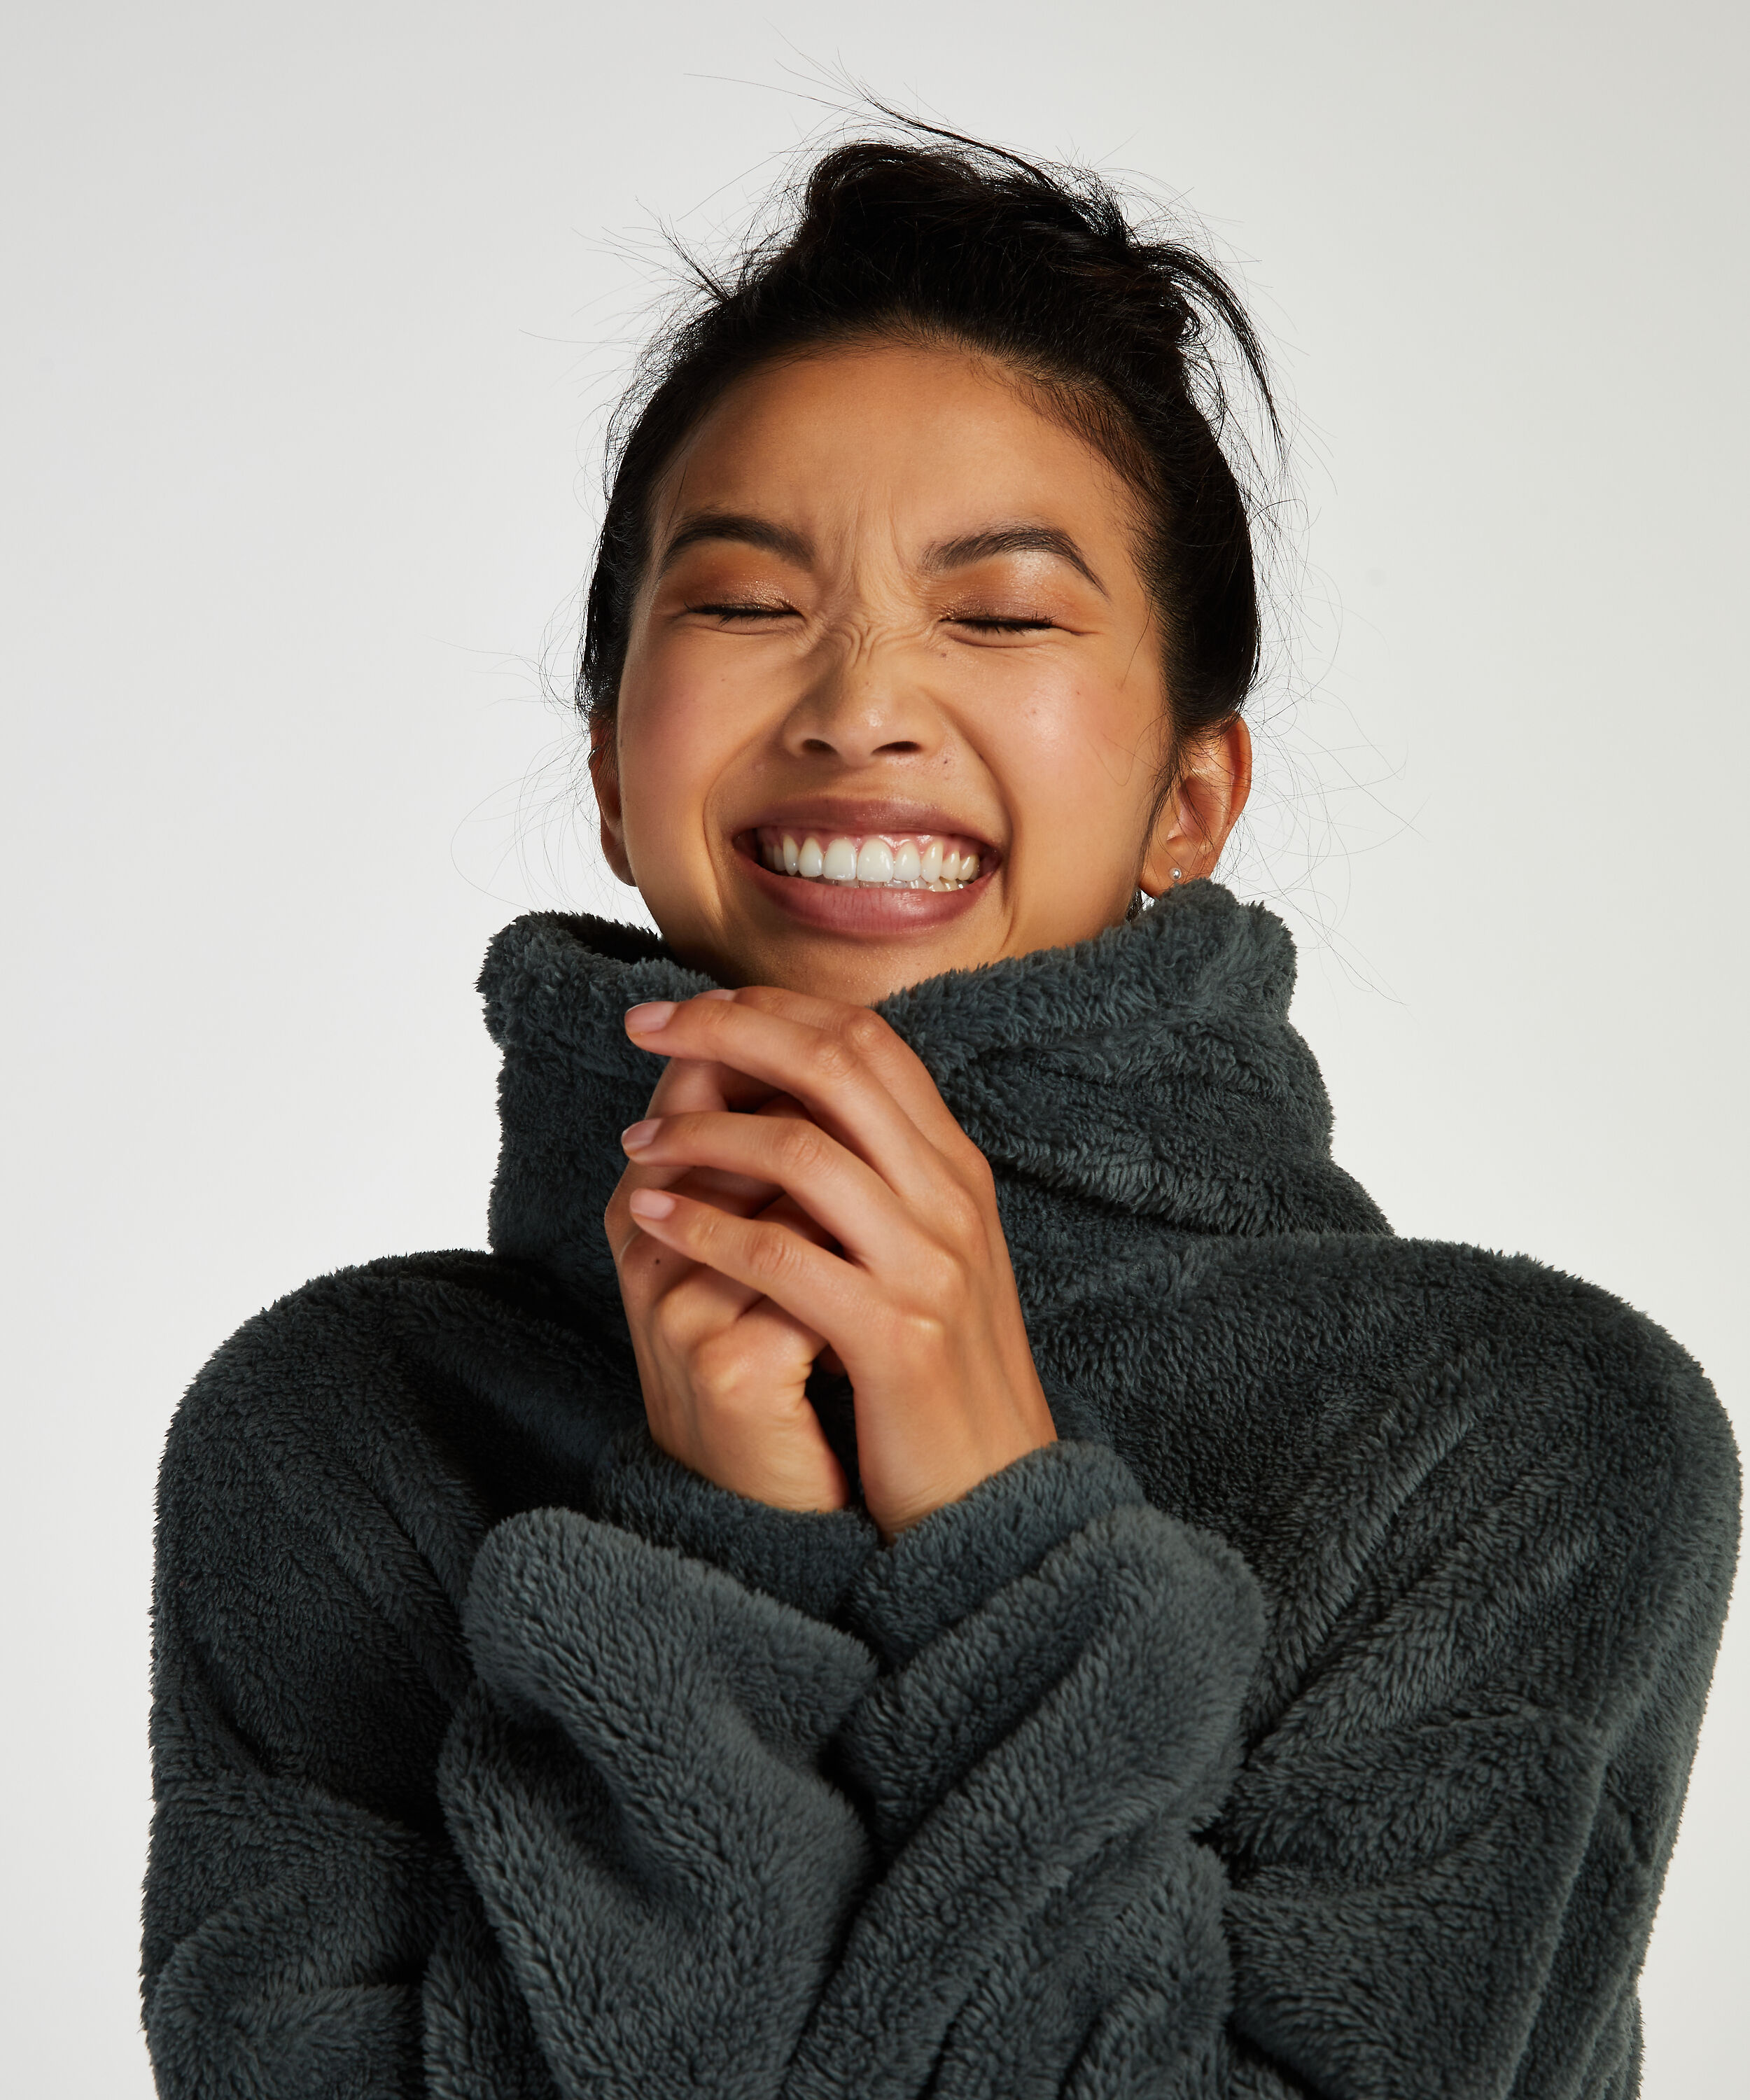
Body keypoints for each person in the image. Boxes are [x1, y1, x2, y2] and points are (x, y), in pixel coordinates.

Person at [141, 131, 1739, 2099]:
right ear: (613, 770)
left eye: (1000, 616)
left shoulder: (1507, 1443)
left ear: (1189, 799)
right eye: (747, 602)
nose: (858, 704)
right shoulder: (341, 1431)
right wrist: (719, 1531)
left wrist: (998, 1535)